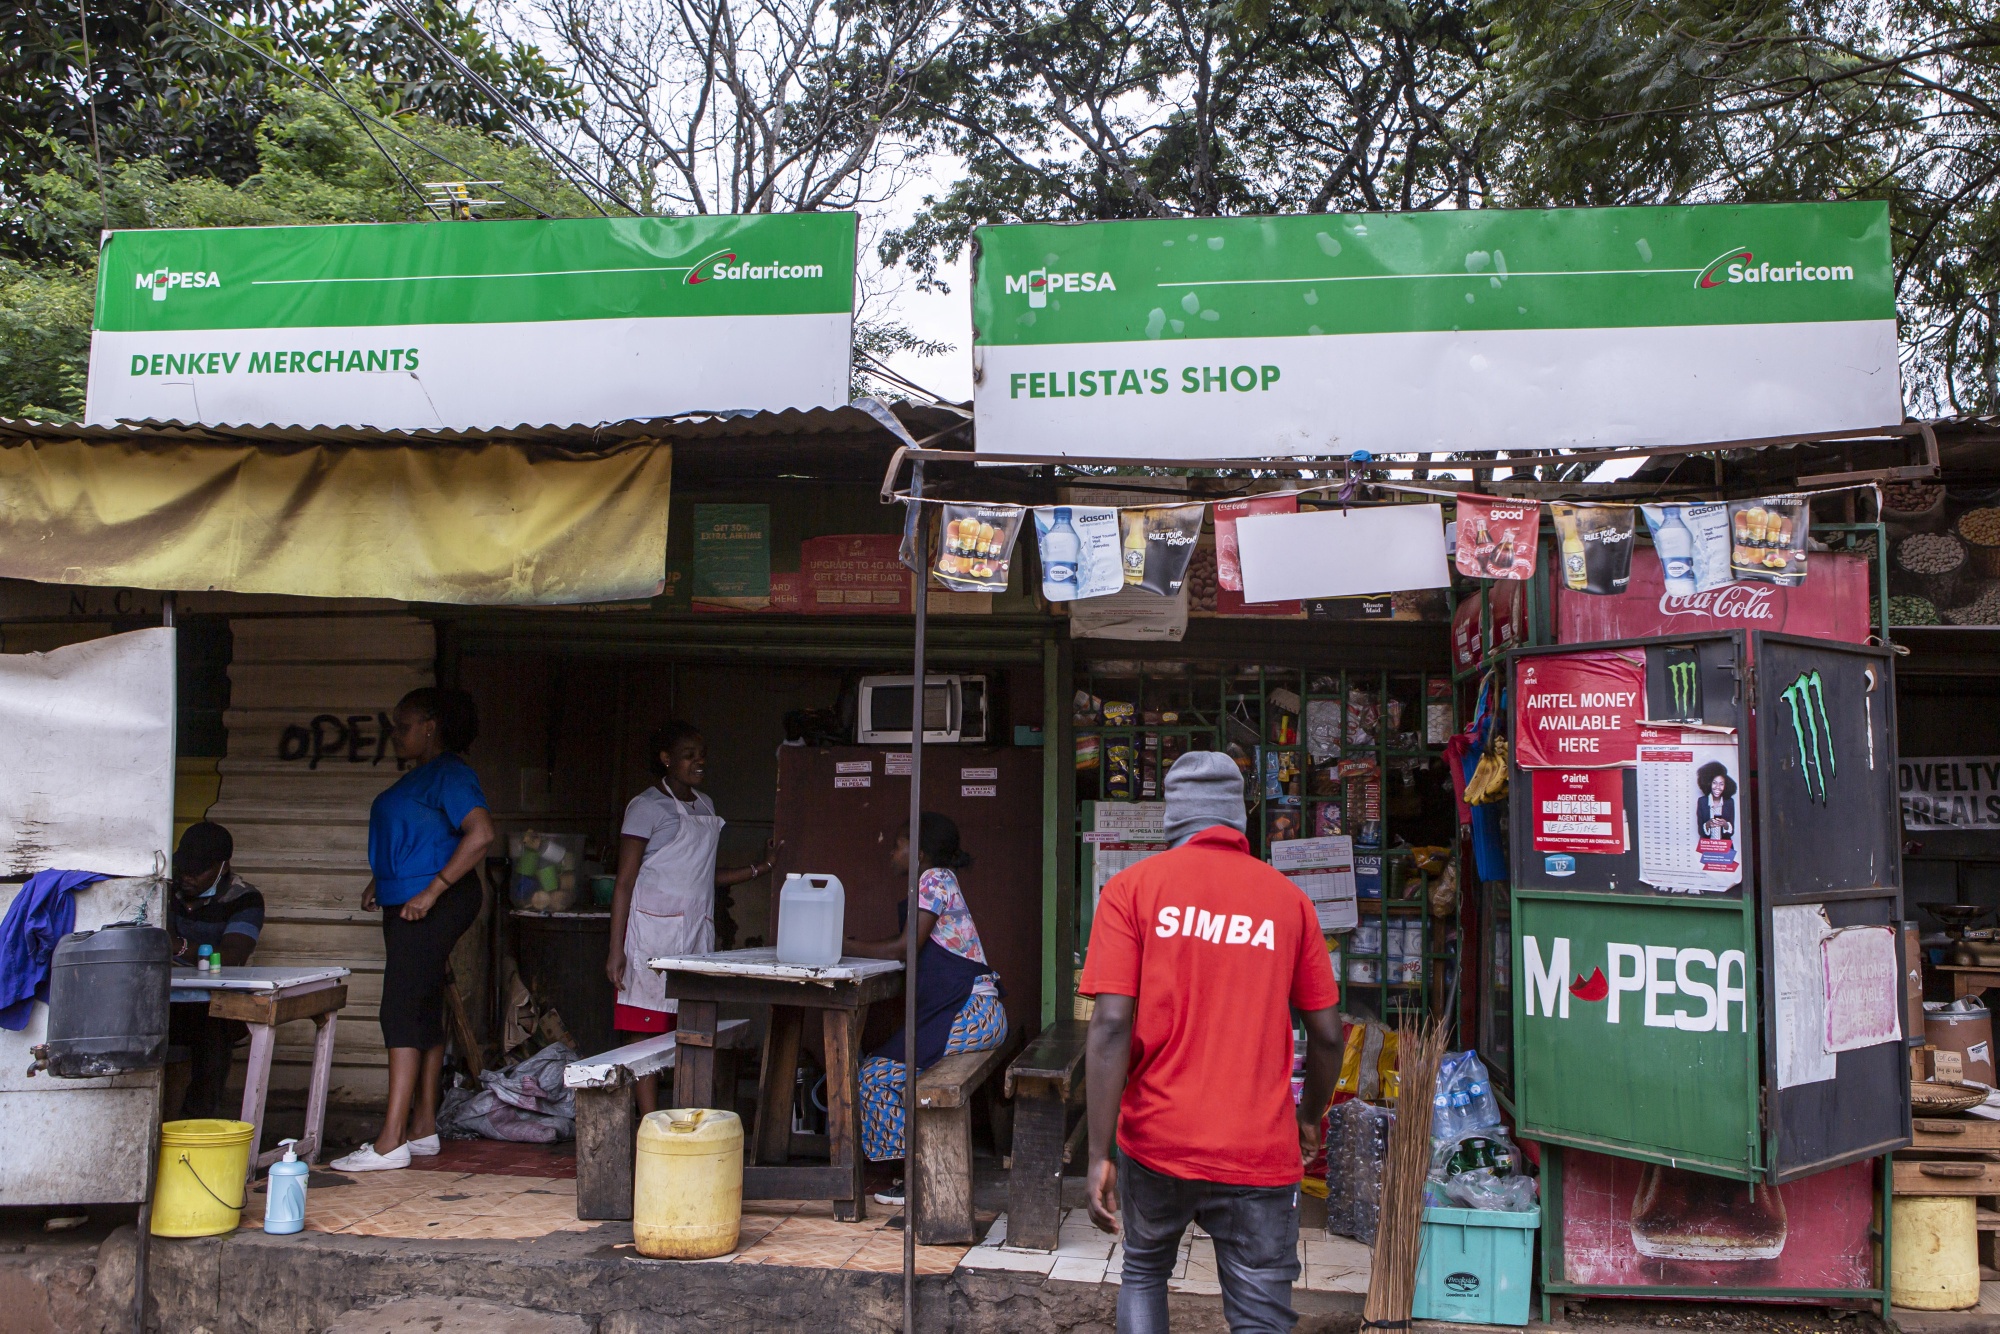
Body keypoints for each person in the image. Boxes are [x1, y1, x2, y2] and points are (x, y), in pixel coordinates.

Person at [1080, 750, 1343, 1334]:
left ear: (1175, 816)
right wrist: (1308, 1117)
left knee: (1144, 1273)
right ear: (1239, 816)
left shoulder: (1131, 890)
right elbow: (1327, 1035)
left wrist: (1099, 1152)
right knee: (1260, 1316)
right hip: (1258, 1148)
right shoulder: (1289, 901)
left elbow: (1110, 1026)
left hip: (1156, 1139)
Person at [332, 687, 495, 1173]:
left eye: (403, 726)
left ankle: (389, 1142)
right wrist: (380, 880)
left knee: (399, 1008)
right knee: (421, 1004)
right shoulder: (423, 778)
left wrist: (432, 891)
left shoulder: (450, 773)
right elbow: (421, 837)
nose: (395, 735)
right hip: (409, 898)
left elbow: (481, 834)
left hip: (429, 904)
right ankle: (423, 1127)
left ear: (430, 726)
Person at [604, 720, 780, 1115]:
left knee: (691, 1029)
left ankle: (685, 1117)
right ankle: (650, 1121)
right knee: (645, 1034)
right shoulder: (646, 807)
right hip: (650, 935)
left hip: (695, 934)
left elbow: (705, 876)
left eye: (701, 755)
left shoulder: (705, 806)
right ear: (666, 759)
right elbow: (624, 882)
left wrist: (760, 868)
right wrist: (616, 949)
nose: (698, 762)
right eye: (688, 755)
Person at [846, 812, 1007, 1205]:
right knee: (880, 1069)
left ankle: (911, 1178)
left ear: (918, 854)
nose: (892, 850)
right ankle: (911, 1169)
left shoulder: (932, 879)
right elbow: (906, 945)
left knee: (875, 1075)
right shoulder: (940, 880)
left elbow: (904, 948)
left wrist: (843, 945)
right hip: (973, 1012)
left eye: (899, 844)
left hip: (971, 1014)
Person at [166, 821, 264, 1119]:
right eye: (184, 868)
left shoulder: (244, 898)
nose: (188, 876)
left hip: (210, 1007)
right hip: (163, 1002)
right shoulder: (164, 891)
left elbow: (232, 957)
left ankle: (196, 1126)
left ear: (223, 866)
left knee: (215, 1033)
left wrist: (177, 946)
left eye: (198, 871)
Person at [1696, 762, 1737, 841]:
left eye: (1721, 784)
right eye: (1714, 783)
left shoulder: (1729, 802)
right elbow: (1700, 832)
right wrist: (1707, 825)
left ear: (1726, 786)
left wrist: (1725, 825)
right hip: (1708, 847)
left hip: (1725, 848)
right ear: (1709, 784)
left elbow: (1731, 832)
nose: (1717, 787)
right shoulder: (1702, 801)